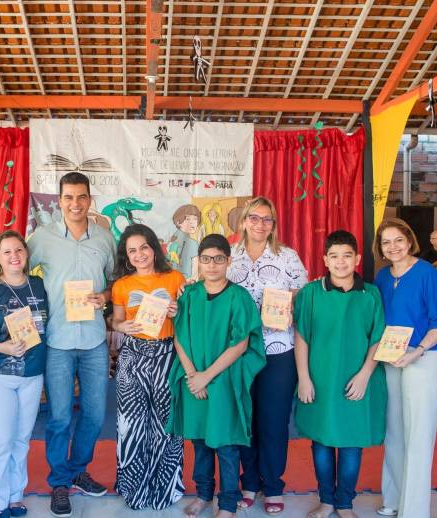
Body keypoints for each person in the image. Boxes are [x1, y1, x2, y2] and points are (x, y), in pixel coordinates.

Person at [0, 172, 115, 517]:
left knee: (94, 415)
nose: (75, 204)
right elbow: (9, 267)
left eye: (81, 197)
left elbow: (113, 280)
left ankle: (78, 470)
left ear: (90, 199)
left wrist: (105, 295)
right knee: (60, 417)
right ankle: (59, 483)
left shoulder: (106, 238)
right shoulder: (41, 238)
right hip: (56, 342)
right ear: (59, 200)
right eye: (68, 197)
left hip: (93, 339)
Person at [165, 234, 266, 518]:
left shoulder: (239, 297)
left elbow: (241, 344)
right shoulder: (190, 295)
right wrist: (191, 375)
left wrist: (206, 376)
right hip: (193, 379)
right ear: (199, 262)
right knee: (199, 441)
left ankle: (228, 503)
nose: (212, 265)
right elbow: (179, 338)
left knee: (225, 443)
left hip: (223, 380)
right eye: (207, 259)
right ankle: (204, 494)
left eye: (219, 259)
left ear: (228, 261)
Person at [294, 230, 387, 518]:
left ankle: (345, 503)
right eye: (334, 256)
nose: (341, 262)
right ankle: (327, 501)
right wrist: (304, 378)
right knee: (321, 441)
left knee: (350, 442)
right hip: (319, 379)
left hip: (356, 380)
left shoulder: (370, 294)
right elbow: (302, 337)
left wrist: (364, 375)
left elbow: (377, 339)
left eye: (347, 256)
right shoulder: (311, 293)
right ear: (325, 259)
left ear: (357, 258)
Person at [225, 196, 308, 515]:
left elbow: (302, 295)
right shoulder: (230, 257)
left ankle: (273, 485)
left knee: (273, 421)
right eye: (254, 218)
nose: (260, 224)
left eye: (267, 219)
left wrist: (290, 307)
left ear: (274, 224)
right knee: (245, 421)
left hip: (278, 351)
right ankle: (249, 483)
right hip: (240, 352)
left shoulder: (287, 257)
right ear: (244, 221)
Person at [373, 219, 437, 518]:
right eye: (386, 242)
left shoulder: (427, 273)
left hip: (426, 354)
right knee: (393, 430)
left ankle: (414, 510)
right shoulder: (381, 276)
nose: (393, 246)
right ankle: (392, 499)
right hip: (392, 356)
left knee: (418, 432)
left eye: (398, 240)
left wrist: (418, 351)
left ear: (410, 240)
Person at [0, 230, 48, 518]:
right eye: (7, 252)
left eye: (19, 250)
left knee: (22, 439)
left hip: (32, 372)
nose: (14, 256)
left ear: (27, 254)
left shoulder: (39, 285)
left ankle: (15, 495)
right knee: (2, 439)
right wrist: (3, 348)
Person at [110, 224, 186, 510]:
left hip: (167, 353)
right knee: (131, 424)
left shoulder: (175, 278)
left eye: (144, 247)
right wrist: (122, 325)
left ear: (154, 248)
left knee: (165, 423)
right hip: (133, 356)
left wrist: (178, 310)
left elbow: (187, 318)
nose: (139, 254)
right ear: (126, 256)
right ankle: (133, 487)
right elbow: (116, 322)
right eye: (132, 250)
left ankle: (165, 487)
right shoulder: (121, 285)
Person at [167, 204, 201, 279]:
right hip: (186, 281)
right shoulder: (193, 243)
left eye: (195, 219)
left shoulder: (172, 238)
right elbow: (195, 272)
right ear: (178, 222)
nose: (192, 222)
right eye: (188, 219)